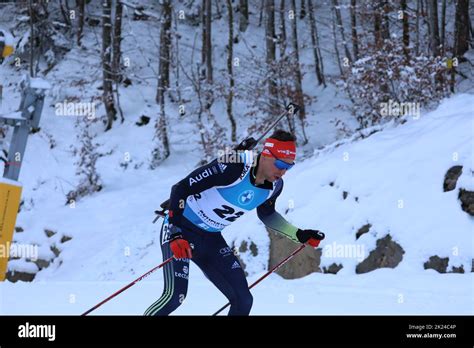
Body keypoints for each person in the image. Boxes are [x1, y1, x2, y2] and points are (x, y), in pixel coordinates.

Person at [144, 130, 325, 316]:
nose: (283, 171)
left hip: (211, 238)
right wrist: (175, 232)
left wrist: (299, 234)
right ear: (265, 155)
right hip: (181, 228)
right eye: (279, 164)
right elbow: (181, 188)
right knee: (175, 296)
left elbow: (267, 215)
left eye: (289, 167)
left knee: (243, 299)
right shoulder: (235, 166)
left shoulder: (275, 187)